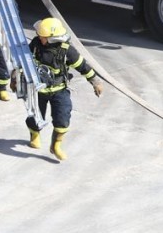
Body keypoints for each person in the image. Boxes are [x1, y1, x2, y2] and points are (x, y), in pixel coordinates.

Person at [22, 18, 104, 161]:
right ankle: (35, 135)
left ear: (53, 38)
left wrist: (95, 81)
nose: (39, 37)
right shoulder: (35, 44)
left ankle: (56, 146)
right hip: (38, 91)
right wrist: (16, 78)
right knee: (35, 116)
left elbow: (82, 66)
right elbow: (23, 62)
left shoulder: (67, 51)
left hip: (59, 90)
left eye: (43, 36)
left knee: (63, 118)